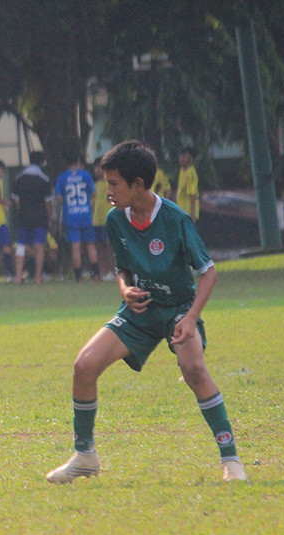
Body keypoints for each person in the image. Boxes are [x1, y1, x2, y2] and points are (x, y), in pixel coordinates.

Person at [45, 140, 246, 485]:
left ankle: (231, 460)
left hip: (179, 311)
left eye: (113, 184)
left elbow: (209, 272)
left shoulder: (175, 218)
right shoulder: (115, 219)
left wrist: (190, 318)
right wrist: (124, 288)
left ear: (138, 184)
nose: (107, 191)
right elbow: (123, 268)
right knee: (84, 366)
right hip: (139, 311)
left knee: (194, 368)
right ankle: (85, 455)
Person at [55, 152, 100, 282]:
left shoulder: (62, 177)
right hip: (85, 214)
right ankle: (96, 274)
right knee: (90, 244)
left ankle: (78, 276)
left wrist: (67, 201)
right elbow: (93, 193)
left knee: (75, 246)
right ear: (78, 162)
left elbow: (58, 198)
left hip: (71, 215)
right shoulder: (85, 175)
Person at [10, 151, 53, 284]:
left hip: (24, 216)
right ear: (42, 162)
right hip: (40, 217)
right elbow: (48, 203)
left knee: (21, 246)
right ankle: (38, 277)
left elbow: (16, 200)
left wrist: (22, 210)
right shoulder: (44, 179)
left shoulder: (19, 178)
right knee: (39, 246)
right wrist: (49, 217)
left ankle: (18, 276)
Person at [91, 156, 115, 279]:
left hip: (108, 220)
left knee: (109, 247)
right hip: (96, 221)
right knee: (99, 247)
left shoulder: (110, 184)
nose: (97, 170)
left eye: (100, 167)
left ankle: (112, 271)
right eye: (96, 167)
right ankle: (103, 271)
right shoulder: (94, 185)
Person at [173, 147, 200, 222]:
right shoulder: (182, 170)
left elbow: (192, 195)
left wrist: (193, 215)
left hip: (188, 212)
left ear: (191, 160)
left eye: (184, 157)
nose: (181, 159)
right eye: (181, 156)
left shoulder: (191, 173)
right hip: (181, 211)